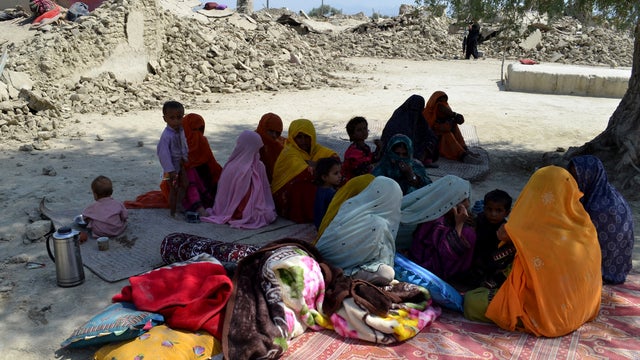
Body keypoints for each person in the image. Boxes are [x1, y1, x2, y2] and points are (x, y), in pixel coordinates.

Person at [464, 166, 602, 338]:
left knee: (471, 302)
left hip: (547, 314)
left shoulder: (530, 227)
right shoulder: (585, 226)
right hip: (583, 307)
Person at [315, 175, 402, 286]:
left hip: (319, 255)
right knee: (387, 273)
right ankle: (347, 275)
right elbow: (379, 257)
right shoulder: (380, 224)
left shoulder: (350, 205)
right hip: (339, 267)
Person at [568, 155, 634, 284]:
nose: (573, 182)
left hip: (604, 267)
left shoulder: (597, 208)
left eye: (576, 177)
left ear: (589, 177)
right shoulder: (608, 192)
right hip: (620, 266)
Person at [202, 130, 277, 229]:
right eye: (256, 149)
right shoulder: (242, 168)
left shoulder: (232, 166)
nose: (257, 152)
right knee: (263, 214)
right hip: (241, 211)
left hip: (230, 210)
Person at [407, 175, 476, 281]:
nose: (466, 204)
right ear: (447, 201)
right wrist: (459, 225)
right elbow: (446, 253)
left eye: (467, 199)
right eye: (461, 200)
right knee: (467, 233)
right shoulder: (434, 220)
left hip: (449, 270)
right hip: (431, 270)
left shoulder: (462, 217)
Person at [271, 118, 338, 223]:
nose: (303, 141)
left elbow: (334, 160)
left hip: (314, 179)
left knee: (336, 178)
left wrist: (316, 165)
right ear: (293, 138)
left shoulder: (316, 149)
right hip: (286, 194)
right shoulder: (289, 152)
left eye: (307, 137)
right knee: (309, 187)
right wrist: (322, 166)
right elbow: (306, 172)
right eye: (299, 137)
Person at [467, 189, 513, 289]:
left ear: (507, 213)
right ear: (484, 208)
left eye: (498, 210)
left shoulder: (505, 229)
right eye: (489, 209)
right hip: (476, 257)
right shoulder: (479, 219)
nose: (493, 214)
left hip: (493, 262)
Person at [379, 94, 439, 166]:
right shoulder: (398, 119)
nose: (415, 113)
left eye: (418, 110)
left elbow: (429, 134)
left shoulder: (420, 120)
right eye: (413, 110)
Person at [423, 91, 481, 163]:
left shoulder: (443, 107)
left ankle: (464, 149)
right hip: (431, 140)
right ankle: (462, 155)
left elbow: (450, 117)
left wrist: (454, 118)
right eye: (441, 101)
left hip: (438, 135)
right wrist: (453, 116)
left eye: (445, 101)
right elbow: (431, 128)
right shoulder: (429, 113)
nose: (443, 103)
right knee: (446, 134)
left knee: (454, 126)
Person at [182, 113, 223, 215]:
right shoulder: (180, 144)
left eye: (200, 130)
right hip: (185, 181)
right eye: (194, 130)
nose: (197, 134)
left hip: (204, 179)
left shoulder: (202, 141)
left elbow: (212, 165)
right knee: (190, 174)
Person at [157, 100, 190, 217]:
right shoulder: (166, 135)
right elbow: (163, 154)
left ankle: (179, 204)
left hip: (180, 164)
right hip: (171, 168)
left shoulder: (180, 131)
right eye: (172, 118)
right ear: (165, 118)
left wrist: (185, 157)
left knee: (185, 184)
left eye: (179, 117)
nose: (176, 121)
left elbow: (184, 145)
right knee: (173, 189)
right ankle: (173, 212)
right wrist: (170, 170)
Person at [341, 116, 380, 182]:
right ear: (352, 134)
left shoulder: (365, 147)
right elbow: (361, 171)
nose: (363, 132)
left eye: (365, 128)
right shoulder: (353, 152)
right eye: (359, 130)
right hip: (353, 182)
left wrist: (379, 148)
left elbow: (371, 158)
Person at [313, 157, 343, 229]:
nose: (340, 176)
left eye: (340, 172)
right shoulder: (330, 193)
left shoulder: (320, 189)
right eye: (336, 173)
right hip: (328, 228)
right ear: (324, 177)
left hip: (320, 226)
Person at [255, 112, 285, 182]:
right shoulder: (251, 143)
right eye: (271, 131)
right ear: (263, 128)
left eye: (277, 133)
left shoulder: (280, 145)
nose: (274, 135)